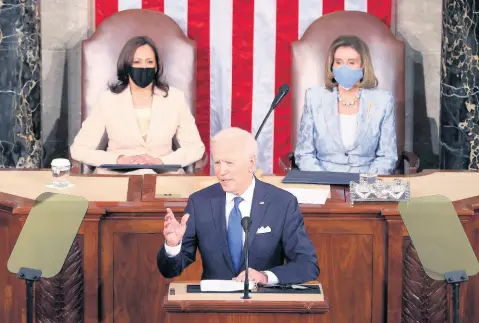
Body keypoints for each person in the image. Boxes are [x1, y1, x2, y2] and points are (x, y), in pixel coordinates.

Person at [157, 127, 319, 285]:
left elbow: (307, 264)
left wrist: (265, 277)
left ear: (251, 163)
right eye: (217, 162)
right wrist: (172, 245)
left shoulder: (282, 203)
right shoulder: (200, 202)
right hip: (214, 307)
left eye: (229, 163)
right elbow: (170, 270)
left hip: (264, 305)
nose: (221, 171)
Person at [70, 36, 205, 174]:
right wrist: (118, 160)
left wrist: (162, 162)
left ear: (156, 66)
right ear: (126, 65)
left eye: (149, 62)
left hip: (164, 176)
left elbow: (195, 148)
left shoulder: (175, 98)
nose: (144, 67)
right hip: (118, 177)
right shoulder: (107, 100)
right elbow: (79, 149)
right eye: (137, 62)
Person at [294, 35, 398, 175]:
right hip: (323, 179)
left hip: (366, 181)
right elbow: (304, 154)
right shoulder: (314, 97)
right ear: (332, 65)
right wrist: (322, 181)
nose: (344, 68)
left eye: (351, 62)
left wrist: (367, 183)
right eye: (338, 62)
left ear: (363, 65)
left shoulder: (383, 101)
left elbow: (387, 156)